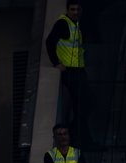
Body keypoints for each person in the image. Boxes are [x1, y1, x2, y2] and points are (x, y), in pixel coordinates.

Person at [44, 0, 92, 145]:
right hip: (70, 70)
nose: (75, 12)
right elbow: (50, 42)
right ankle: (75, 135)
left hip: (78, 68)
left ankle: (77, 134)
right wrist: (56, 63)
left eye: (77, 9)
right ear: (67, 10)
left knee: (83, 105)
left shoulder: (76, 25)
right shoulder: (63, 23)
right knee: (80, 104)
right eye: (72, 9)